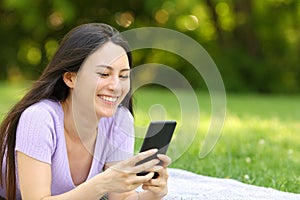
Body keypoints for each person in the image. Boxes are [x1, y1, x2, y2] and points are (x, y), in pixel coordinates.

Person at [0, 23, 170, 200]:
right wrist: (102, 183)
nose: (115, 86)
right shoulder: (40, 118)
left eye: (123, 76)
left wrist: (152, 194)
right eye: (104, 74)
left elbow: (120, 198)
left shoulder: (119, 120)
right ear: (71, 78)